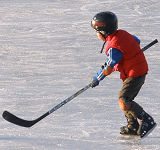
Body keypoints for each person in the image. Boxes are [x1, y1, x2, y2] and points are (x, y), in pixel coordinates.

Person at [90, 11, 156, 138]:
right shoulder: (121, 34)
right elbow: (136, 40)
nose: (97, 35)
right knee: (127, 98)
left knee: (123, 101)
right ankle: (132, 125)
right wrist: (131, 53)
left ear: (104, 32)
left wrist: (96, 79)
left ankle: (147, 119)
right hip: (137, 70)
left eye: (97, 32)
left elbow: (108, 68)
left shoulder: (114, 46)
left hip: (134, 73)